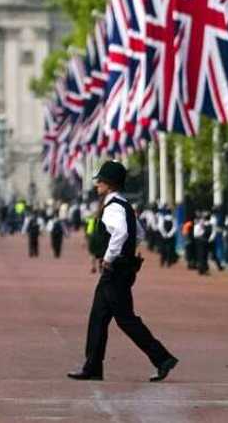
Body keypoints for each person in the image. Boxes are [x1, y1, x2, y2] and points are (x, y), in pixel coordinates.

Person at [67, 161, 177, 383]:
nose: (97, 184)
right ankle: (93, 366)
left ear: (109, 183)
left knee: (126, 319)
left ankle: (162, 358)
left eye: (100, 181)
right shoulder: (124, 204)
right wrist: (127, 251)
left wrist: (110, 257)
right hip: (122, 268)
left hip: (115, 270)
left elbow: (121, 232)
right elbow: (139, 233)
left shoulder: (113, 207)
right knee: (98, 317)